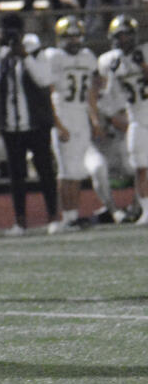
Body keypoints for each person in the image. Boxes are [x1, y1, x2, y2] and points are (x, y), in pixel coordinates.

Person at [39, 15, 126, 228]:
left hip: (80, 118)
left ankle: (73, 216)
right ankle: (67, 217)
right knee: (66, 171)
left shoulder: (87, 56)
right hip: (64, 114)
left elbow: (90, 92)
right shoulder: (53, 56)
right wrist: (57, 124)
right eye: (69, 37)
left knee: (76, 171)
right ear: (60, 37)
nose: (74, 41)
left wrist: (94, 120)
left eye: (77, 36)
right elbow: (48, 92)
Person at [0, 13, 59, 235]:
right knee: (17, 175)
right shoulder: (1, 51)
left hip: (36, 122)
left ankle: (53, 216)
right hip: (11, 124)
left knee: (45, 171)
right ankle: (20, 220)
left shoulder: (33, 47)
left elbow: (44, 78)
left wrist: (25, 56)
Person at [97, 15, 148, 224]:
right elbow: (111, 97)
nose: (124, 39)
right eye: (120, 35)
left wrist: (143, 66)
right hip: (136, 118)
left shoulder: (145, 51)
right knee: (140, 167)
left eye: (127, 34)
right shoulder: (109, 61)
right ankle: (146, 209)